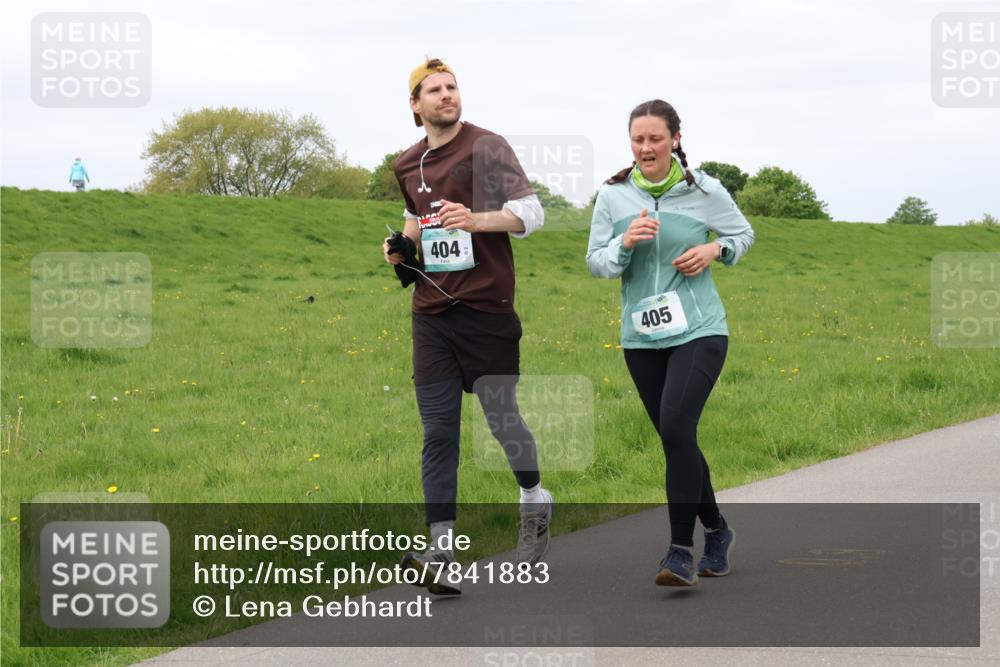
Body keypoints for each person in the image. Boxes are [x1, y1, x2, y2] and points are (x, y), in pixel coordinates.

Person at [383, 58, 554, 596]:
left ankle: (534, 500)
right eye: (433, 90)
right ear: (415, 105)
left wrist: (475, 219)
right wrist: (400, 248)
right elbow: (416, 218)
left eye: (452, 87)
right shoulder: (406, 163)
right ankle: (443, 553)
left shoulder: (488, 146)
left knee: (502, 421)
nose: (446, 95)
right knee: (438, 431)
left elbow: (532, 213)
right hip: (431, 314)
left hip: (487, 308)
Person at [586, 99, 754, 587]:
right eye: (638, 139)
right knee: (675, 435)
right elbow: (596, 263)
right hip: (641, 336)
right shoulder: (614, 196)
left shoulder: (704, 191)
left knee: (678, 425)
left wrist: (713, 248)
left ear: (675, 139)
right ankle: (718, 532)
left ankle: (680, 551)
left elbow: (743, 235)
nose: (646, 147)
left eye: (655, 138)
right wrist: (624, 244)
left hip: (700, 329)